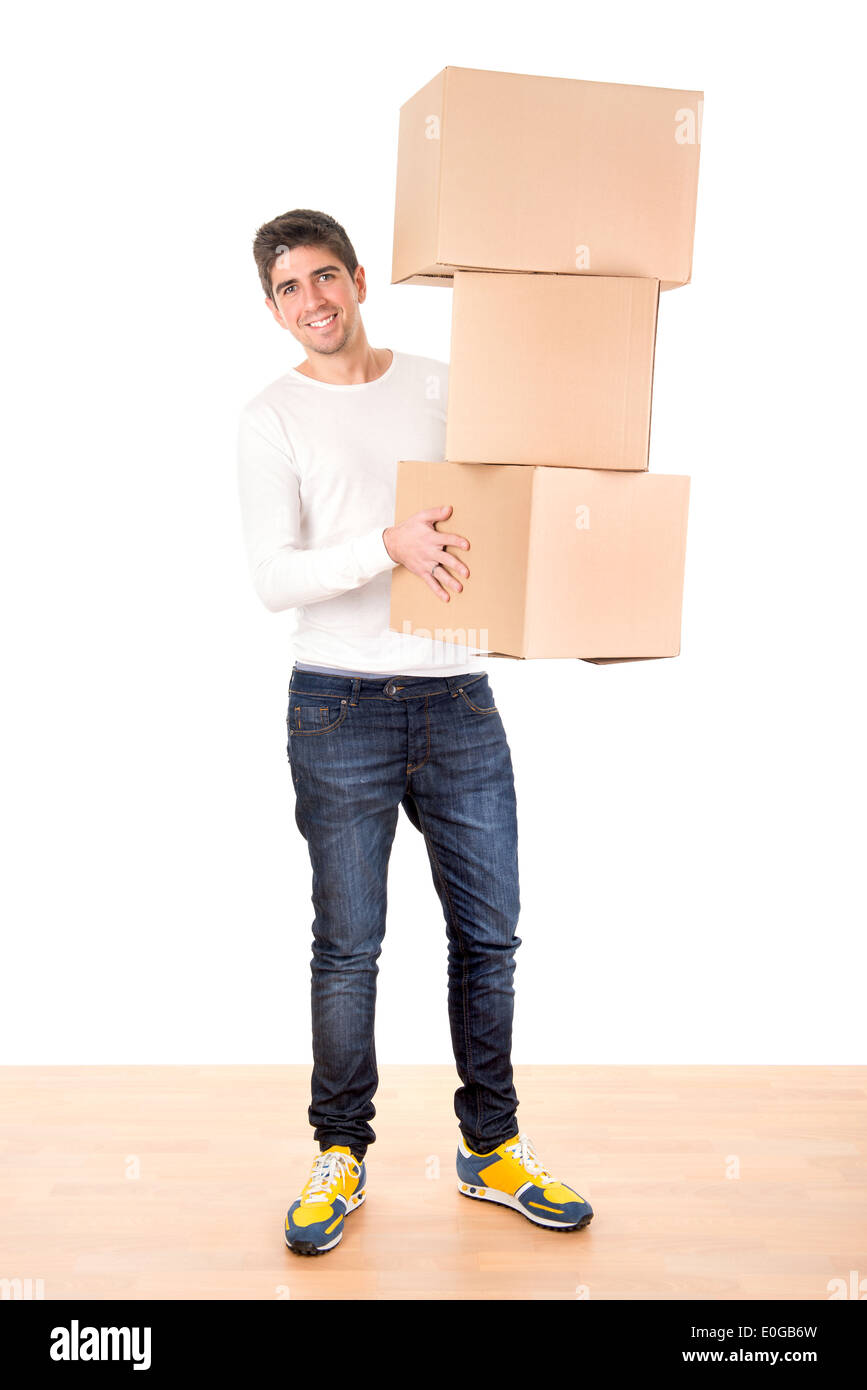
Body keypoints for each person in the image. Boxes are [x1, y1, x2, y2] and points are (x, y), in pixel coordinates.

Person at [236, 208, 594, 1256]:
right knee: (349, 948)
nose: (314, 303)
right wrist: (379, 546)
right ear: (273, 307)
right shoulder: (270, 417)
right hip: (335, 705)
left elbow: (511, 491)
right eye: (290, 289)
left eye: (326, 278)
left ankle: (493, 1150)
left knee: (490, 935)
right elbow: (272, 579)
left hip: (460, 701)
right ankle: (340, 1152)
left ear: (357, 279)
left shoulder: (440, 382)